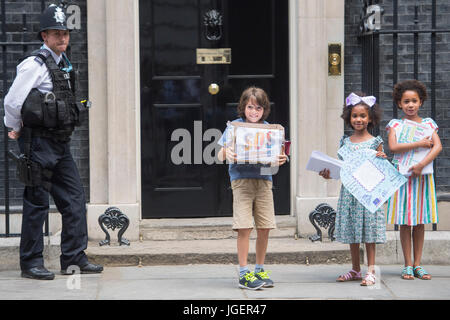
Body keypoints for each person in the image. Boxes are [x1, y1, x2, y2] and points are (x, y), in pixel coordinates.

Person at [3, 4, 103, 280]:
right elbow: (12, 101)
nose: (62, 38)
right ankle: (31, 263)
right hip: (37, 144)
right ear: (44, 36)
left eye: (65, 33)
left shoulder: (63, 64)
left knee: (74, 199)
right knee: (36, 203)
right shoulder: (33, 65)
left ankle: (73, 256)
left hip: (60, 145)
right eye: (56, 33)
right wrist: (14, 127)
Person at [217, 87, 287, 290]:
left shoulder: (271, 129)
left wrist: (282, 159)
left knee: (265, 227)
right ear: (243, 107)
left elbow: (278, 156)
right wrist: (227, 153)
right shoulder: (235, 127)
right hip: (241, 181)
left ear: (264, 109)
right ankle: (243, 273)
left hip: (265, 181)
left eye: (258, 107)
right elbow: (220, 154)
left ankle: (259, 269)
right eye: (250, 107)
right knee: (244, 227)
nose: (254, 112)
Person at [319, 92, 387, 286]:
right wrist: (328, 173)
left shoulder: (376, 142)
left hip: (368, 193)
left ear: (370, 118)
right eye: (355, 116)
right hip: (350, 194)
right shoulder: (345, 142)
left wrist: (383, 159)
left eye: (363, 116)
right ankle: (356, 269)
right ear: (349, 117)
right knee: (353, 232)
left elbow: (382, 172)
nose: (358, 119)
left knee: (369, 233)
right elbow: (342, 170)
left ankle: (371, 271)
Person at [386, 80, 442, 280]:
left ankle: (418, 264)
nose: (410, 105)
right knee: (404, 221)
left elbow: (437, 146)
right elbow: (393, 147)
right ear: (399, 103)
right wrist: (418, 143)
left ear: (421, 102)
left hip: (422, 177)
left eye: (414, 101)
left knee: (419, 222)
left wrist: (421, 164)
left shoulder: (428, 124)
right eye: (406, 101)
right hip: (402, 177)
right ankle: (407, 264)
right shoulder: (395, 125)